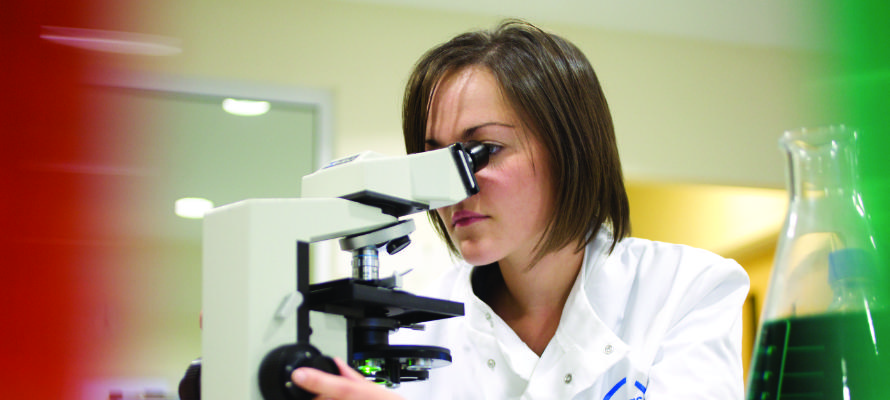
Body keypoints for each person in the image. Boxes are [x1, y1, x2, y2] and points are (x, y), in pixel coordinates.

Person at [292, 20, 750, 399]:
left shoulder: (687, 290)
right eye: (433, 162)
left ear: (571, 150)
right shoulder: (418, 330)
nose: (453, 189)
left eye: (483, 151)